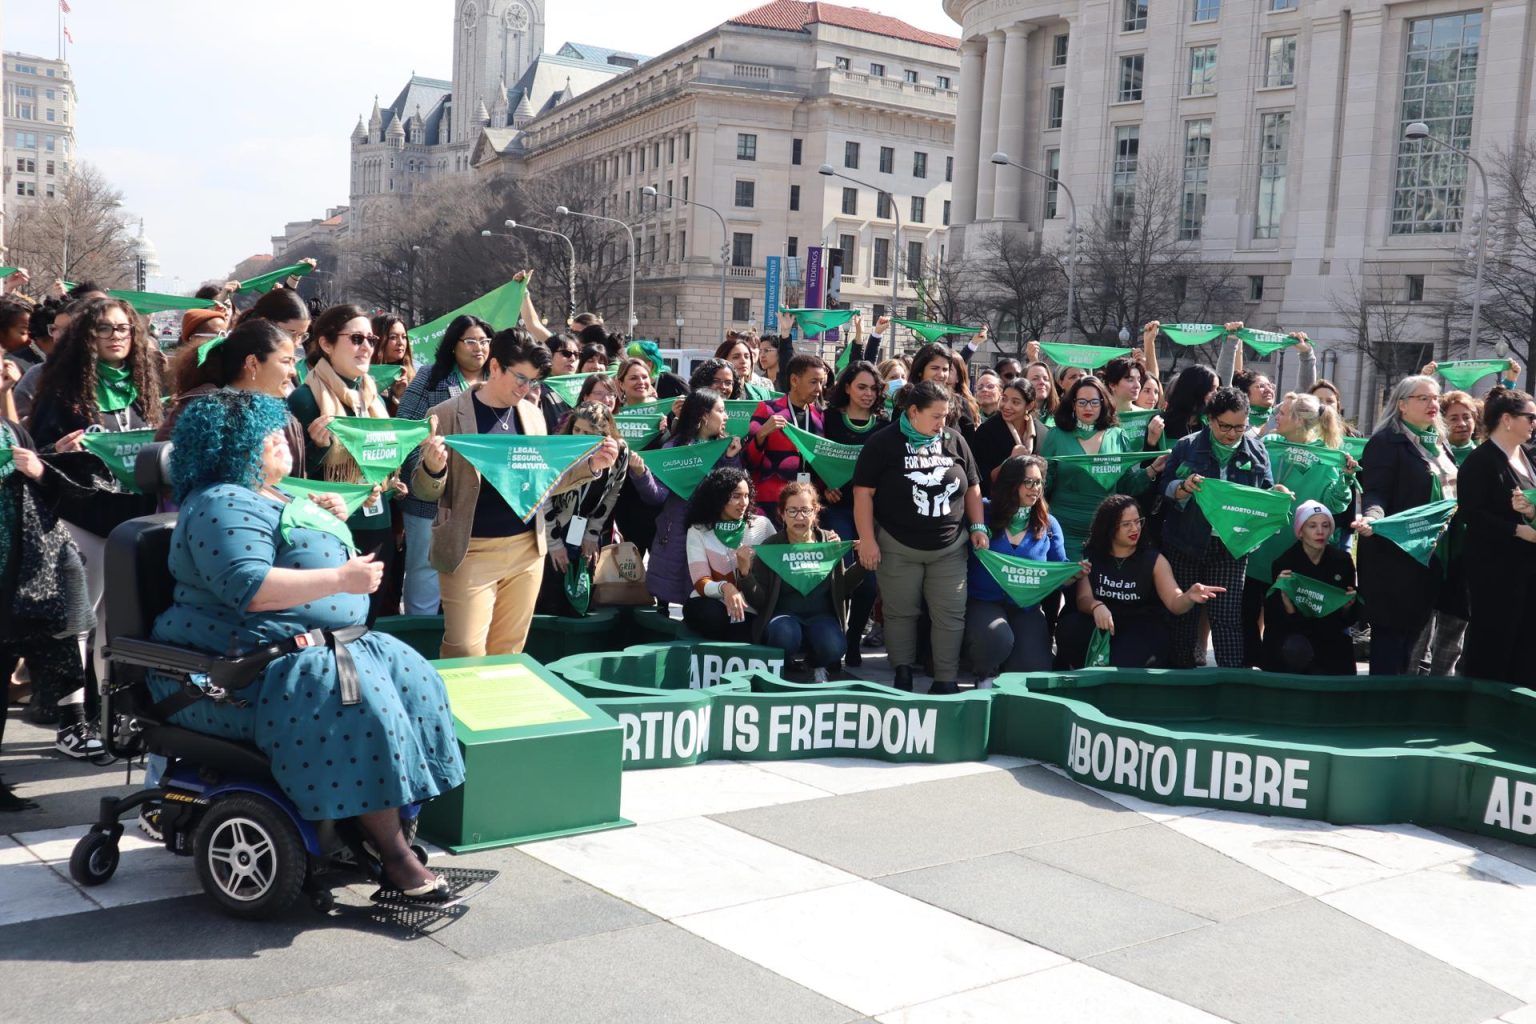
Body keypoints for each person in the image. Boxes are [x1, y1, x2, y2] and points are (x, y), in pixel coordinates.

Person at [153, 389, 463, 903]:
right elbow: (247, 588)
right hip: (237, 675)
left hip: (311, 651)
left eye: (279, 431)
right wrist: (342, 578)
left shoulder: (275, 494)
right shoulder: (219, 502)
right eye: (267, 436)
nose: (283, 441)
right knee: (358, 703)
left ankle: (386, 823)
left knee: (414, 679)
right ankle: (394, 855)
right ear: (232, 446)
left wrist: (327, 511)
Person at [414, 329, 618, 657]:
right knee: (464, 648)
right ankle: (454, 708)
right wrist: (434, 468)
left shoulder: (533, 416)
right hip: (470, 550)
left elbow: (544, 481)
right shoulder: (445, 414)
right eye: (520, 378)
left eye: (532, 382)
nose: (525, 389)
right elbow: (424, 491)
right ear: (495, 367)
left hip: (526, 550)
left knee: (508, 650)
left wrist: (591, 466)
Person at [29, 297, 163, 698]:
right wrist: (59, 450)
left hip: (133, 521)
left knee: (118, 624)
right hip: (82, 518)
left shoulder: (146, 383)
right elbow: (36, 453)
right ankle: (71, 719)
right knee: (78, 622)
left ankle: (109, 714)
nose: (116, 336)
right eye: (104, 328)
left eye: (123, 328)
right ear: (87, 336)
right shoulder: (63, 387)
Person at [853, 380, 986, 694]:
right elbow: (863, 494)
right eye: (936, 416)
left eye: (946, 416)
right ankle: (902, 672)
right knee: (900, 612)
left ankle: (945, 678)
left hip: (950, 546)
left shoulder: (954, 440)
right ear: (913, 412)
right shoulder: (883, 442)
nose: (943, 423)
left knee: (950, 613)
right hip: (897, 545)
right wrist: (868, 539)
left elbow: (973, 486)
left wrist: (978, 526)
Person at [287, 304, 401, 623]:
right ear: (325, 343)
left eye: (370, 338)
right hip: (333, 530)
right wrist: (317, 447)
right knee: (338, 624)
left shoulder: (373, 398)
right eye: (355, 338)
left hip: (378, 524)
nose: (366, 347)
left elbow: (380, 462)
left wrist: (390, 484)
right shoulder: (305, 399)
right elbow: (289, 477)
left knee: (370, 620)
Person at [1160, 386, 1277, 668]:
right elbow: (1164, 487)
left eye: (1240, 427)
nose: (1232, 434)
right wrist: (1183, 489)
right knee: (1184, 618)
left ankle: (1229, 683)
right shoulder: (1188, 446)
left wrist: (1276, 495)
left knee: (1227, 619)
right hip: (1186, 542)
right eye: (1225, 426)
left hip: (1231, 546)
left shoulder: (1257, 450)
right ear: (1209, 420)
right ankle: (1179, 678)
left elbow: (1267, 492)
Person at [1352, 375, 1458, 675]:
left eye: (1435, 398)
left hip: (1432, 555)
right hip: (1396, 558)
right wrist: (1374, 516)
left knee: (1414, 641)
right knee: (1392, 643)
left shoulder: (1438, 443)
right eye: (1423, 398)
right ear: (1401, 404)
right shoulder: (1387, 442)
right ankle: (1381, 712)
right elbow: (1375, 491)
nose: (1432, 404)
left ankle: (1401, 708)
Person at [1242, 390, 1355, 667]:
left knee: (1279, 620)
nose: (1275, 417)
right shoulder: (1268, 443)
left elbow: (1334, 505)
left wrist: (1345, 479)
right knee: (1244, 616)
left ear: (1297, 419)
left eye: (1281, 413)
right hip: (1258, 546)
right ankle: (1244, 671)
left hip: (1292, 555)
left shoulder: (1326, 457)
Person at [395, 315, 491, 616]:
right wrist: (425, 467)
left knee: (472, 570)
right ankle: (419, 636)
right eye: (471, 341)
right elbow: (405, 429)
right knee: (425, 568)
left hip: (478, 497)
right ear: (453, 346)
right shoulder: (431, 378)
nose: (480, 348)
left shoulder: (496, 381)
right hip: (431, 494)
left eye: (485, 341)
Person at [1059, 494, 1225, 668]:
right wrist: (1096, 606)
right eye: (1126, 524)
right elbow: (1082, 599)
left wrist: (1189, 596)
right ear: (1109, 527)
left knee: (1123, 662)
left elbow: (1175, 603)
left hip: (1141, 625)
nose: (1134, 529)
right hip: (1101, 619)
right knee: (1071, 629)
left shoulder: (1154, 560)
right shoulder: (1091, 555)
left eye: (1138, 521)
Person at [539, 401, 665, 615]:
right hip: (556, 525)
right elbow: (544, 496)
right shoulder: (560, 448)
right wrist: (553, 543)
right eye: (577, 429)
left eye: (588, 432)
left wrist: (592, 533)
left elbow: (612, 493)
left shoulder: (620, 451)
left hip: (587, 525)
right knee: (552, 589)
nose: (579, 435)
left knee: (582, 588)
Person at [733, 483, 862, 680]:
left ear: (816, 510)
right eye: (792, 511)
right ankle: (787, 665)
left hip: (821, 617)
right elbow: (759, 601)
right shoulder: (772, 546)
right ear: (782, 514)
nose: (799, 517)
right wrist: (744, 572)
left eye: (805, 510)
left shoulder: (829, 542)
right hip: (784, 618)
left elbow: (841, 588)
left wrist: (863, 564)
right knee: (785, 633)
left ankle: (813, 664)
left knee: (835, 646)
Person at [966, 455, 1077, 683]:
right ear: (1011, 483)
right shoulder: (983, 513)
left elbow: (1060, 568)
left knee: (1034, 669)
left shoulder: (1049, 523)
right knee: (996, 638)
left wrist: (1073, 573)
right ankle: (985, 675)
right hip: (984, 601)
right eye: (1029, 482)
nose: (1035, 489)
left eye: (1039, 482)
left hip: (1025, 607)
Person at [1454, 388, 1536, 684]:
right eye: (1530, 417)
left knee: (1526, 643)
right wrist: (1517, 530)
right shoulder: (1481, 461)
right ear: (1507, 419)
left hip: (1527, 568)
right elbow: (1472, 514)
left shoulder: (1526, 456)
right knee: (1494, 641)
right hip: (1495, 569)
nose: (1534, 423)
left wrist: (1529, 514)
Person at [1039, 375, 1162, 561]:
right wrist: (1038, 474)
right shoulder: (1056, 436)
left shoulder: (1118, 436)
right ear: (1072, 404)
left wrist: (1153, 469)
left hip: (1106, 531)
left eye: (1094, 402)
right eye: (1082, 402)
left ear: (1103, 403)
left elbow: (1127, 486)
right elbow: (1044, 488)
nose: (1088, 408)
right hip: (1063, 531)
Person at [156, 319, 306, 469]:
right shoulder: (204, 415)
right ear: (253, 363)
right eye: (286, 362)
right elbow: (174, 482)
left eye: (293, 362)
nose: (293, 372)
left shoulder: (281, 416)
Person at [645, 388, 745, 610]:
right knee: (669, 600)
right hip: (676, 533)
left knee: (704, 603)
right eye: (721, 410)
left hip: (713, 535)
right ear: (703, 415)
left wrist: (730, 459)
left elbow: (733, 492)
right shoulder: (673, 448)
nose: (726, 416)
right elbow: (656, 496)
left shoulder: (724, 448)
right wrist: (640, 474)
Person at [820, 359, 887, 665]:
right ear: (846, 387)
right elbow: (812, 456)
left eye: (874, 388)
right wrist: (823, 486)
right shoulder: (828, 419)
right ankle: (832, 638)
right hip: (836, 510)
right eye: (861, 387)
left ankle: (853, 639)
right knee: (840, 577)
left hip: (872, 514)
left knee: (869, 582)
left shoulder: (885, 425)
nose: (868, 394)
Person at [1261, 501, 1358, 675]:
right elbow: (1273, 620)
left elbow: (1347, 619)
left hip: (1328, 630)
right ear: (1300, 532)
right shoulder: (1285, 563)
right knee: (1295, 648)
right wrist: (1287, 606)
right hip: (1292, 632)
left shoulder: (1342, 561)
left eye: (1325, 525)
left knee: (1342, 648)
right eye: (1312, 526)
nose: (1320, 532)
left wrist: (1346, 608)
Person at [681, 466, 775, 640]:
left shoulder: (762, 526)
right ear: (719, 498)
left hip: (750, 606)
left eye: (746, 496)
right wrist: (726, 588)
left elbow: (784, 553)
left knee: (744, 632)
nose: (743, 503)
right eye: (736, 496)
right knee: (712, 616)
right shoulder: (698, 530)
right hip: (711, 602)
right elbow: (701, 582)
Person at [746, 354, 827, 517]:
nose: (819, 389)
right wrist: (762, 434)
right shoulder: (767, 410)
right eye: (813, 382)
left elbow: (821, 462)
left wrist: (828, 487)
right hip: (770, 503)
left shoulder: (819, 415)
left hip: (806, 505)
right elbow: (748, 461)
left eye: (821, 382)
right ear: (794, 381)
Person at [971, 379, 1039, 498]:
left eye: (1015, 402)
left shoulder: (1042, 432)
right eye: (1004, 399)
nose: (1007, 406)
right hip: (999, 503)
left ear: (1029, 405)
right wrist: (1010, 462)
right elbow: (981, 479)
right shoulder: (987, 431)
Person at [909, 343, 978, 445]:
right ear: (920, 371)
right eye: (934, 368)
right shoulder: (905, 400)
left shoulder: (960, 403)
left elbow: (970, 446)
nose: (941, 375)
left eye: (945, 369)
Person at [1102, 356, 1165, 451]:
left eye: (1138, 379)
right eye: (1130, 380)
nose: (1137, 385)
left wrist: (1151, 442)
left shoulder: (1148, 416)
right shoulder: (1099, 417)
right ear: (1112, 384)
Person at [371, 314, 416, 417]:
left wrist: (399, 397)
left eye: (404, 337)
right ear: (378, 339)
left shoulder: (414, 377)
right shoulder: (365, 376)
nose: (400, 342)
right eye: (393, 337)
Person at [1440, 390, 1481, 465]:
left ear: (1474, 419)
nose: (1462, 424)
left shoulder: (1486, 454)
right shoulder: (1435, 455)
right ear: (1442, 422)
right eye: (1454, 419)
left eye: (1466, 417)